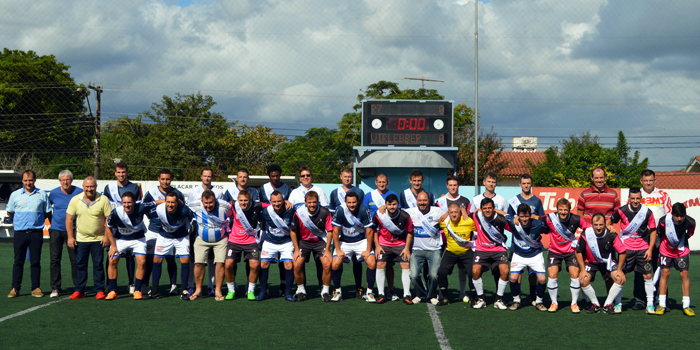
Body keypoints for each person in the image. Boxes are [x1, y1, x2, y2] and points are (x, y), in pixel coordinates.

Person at [610, 187, 657, 314]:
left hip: (643, 249)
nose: (635, 201)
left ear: (641, 198)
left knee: (647, 275)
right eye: (633, 198)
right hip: (626, 250)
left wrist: (650, 249)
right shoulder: (621, 211)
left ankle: (650, 304)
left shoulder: (647, 212)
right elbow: (609, 222)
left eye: (637, 198)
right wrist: (611, 228)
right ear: (629, 198)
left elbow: (653, 231)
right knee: (621, 275)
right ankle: (618, 303)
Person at [6, 170, 52, 298]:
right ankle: (15, 288)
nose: (28, 183)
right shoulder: (15, 195)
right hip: (20, 233)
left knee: (35, 261)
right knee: (18, 261)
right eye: (26, 180)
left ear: (35, 180)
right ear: (22, 181)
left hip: (36, 233)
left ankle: (36, 288)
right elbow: (10, 212)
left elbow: (47, 212)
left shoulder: (42, 195)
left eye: (30, 180)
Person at [65, 177, 112, 300]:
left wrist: (106, 236)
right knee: (80, 265)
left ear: (96, 187)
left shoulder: (103, 199)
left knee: (98, 265)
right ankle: (79, 290)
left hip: (98, 239)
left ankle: (99, 290)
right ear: (83, 186)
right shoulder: (76, 199)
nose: (89, 189)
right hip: (81, 239)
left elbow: (109, 219)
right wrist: (70, 237)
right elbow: (69, 219)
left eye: (92, 187)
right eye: (87, 187)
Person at [540, 198, 589, 313]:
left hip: (571, 251)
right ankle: (554, 303)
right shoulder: (550, 218)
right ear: (557, 210)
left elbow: (588, 228)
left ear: (569, 210)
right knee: (552, 275)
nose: (563, 212)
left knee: (574, 274)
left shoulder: (576, 219)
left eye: (565, 210)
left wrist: (581, 241)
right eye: (560, 210)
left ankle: (574, 304)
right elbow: (536, 219)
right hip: (554, 251)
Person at [142, 169, 185, 296]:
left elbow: (182, 210)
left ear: (171, 179)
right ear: (158, 179)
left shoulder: (177, 193)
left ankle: (173, 285)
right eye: (163, 179)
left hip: (170, 232)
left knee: (170, 259)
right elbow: (144, 208)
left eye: (167, 179)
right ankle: (146, 285)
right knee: (150, 259)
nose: (165, 181)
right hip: (154, 230)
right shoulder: (151, 193)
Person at [145, 192, 194, 301]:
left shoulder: (184, 210)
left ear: (178, 202)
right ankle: (154, 291)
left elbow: (191, 217)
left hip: (181, 237)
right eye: (168, 202)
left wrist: (184, 206)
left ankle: (184, 291)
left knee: (185, 261)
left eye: (173, 202)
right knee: (156, 260)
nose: (170, 205)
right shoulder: (160, 209)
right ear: (165, 202)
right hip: (164, 236)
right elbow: (148, 213)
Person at [104, 192, 152, 300]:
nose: (127, 205)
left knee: (142, 261)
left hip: (138, 239)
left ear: (134, 202)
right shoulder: (116, 212)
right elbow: (108, 227)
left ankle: (137, 290)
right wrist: (113, 245)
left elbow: (156, 202)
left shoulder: (141, 207)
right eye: (124, 202)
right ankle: (112, 291)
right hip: (120, 239)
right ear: (121, 203)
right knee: (112, 260)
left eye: (129, 202)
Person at [575, 213, 627, 314]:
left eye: (601, 225)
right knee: (583, 280)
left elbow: (622, 252)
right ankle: (595, 305)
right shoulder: (586, 234)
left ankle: (607, 305)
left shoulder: (611, 234)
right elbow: (578, 252)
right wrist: (582, 270)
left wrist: (620, 270)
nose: (598, 227)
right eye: (596, 225)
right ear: (592, 224)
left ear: (605, 224)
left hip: (607, 262)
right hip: (591, 263)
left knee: (620, 278)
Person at [103, 162, 142, 294]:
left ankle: (131, 283)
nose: (121, 174)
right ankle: (109, 285)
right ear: (115, 173)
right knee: (111, 255)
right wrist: (106, 233)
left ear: (127, 172)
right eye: (118, 172)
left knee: (130, 255)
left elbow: (138, 208)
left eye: (123, 172)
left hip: (129, 225)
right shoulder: (109, 188)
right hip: (113, 226)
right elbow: (106, 209)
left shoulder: (135, 188)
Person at [506, 174, 545, 306]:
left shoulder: (537, 201)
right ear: (520, 184)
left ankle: (533, 295)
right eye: (524, 183)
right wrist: (514, 219)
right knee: (518, 271)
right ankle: (517, 297)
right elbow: (508, 217)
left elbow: (542, 218)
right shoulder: (514, 200)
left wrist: (533, 217)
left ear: (531, 184)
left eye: (528, 183)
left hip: (532, 240)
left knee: (533, 271)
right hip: (518, 240)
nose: (526, 185)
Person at [187, 190, 232, 301]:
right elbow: (184, 207)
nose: (208, 206)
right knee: (198, 264)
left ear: (215, 200)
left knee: (220, 264)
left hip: (220, 240)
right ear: (201, 201)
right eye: (205, 203)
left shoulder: (224, 206)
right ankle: (198, 290)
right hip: (201, 239)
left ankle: (218, 290)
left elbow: (234, 211)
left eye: (210, 203)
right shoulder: (194, 205)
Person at [330, 191, 375, 302]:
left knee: (372, 263)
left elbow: (369, 231)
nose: (351, 205)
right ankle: (338, 291)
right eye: (349, 202)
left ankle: (369, 293)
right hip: (344, 242)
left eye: (354, 202)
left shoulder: (364, 209)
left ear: (358, 201)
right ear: (345, 202)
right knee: (335, 264)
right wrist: (338, 249)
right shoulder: (340, 210)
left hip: (361, 241)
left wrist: (368, 250)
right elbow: (335, 231)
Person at [290, 191, 333, 301]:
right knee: (297, 263)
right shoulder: (299, 213)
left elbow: (330, 231)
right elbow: (293, 231)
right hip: (304, 242)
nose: (312, 204)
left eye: (314, 202)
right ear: (305, 203)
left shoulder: (325, 212)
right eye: (309, 202)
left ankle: (325, 291)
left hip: (320, 241)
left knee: (327, 263)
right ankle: (301, 290)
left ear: (318, 202)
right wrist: (296, 250)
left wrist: (328, 250)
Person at [186, 168, 223, 296]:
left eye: (209, 176)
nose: (207, 178)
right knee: (195, 259)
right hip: (198, 227)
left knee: (213, 259)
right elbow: (189, 210)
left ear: (212, 177)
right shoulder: (193, 192)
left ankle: (211, 286)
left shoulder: (218, 192)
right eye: (205, 176)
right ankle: (192, 286)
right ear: (201, 176)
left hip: (214, 229)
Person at [637, 169, 671, 310]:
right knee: (641, 269)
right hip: (641, 237)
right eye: (646, 180)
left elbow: (669, 217)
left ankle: (660, 301)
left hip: (659, 237)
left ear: (654, 180)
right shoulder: (636, 195)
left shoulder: (663, 195)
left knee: (661, 269)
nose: (649, 183)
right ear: (641, 181)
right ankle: (640, 300)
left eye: (651, 180)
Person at [435, 176, 472, 302]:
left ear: (458, 185)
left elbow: (469, 218)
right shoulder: (440, 201)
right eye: (450, 185)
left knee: (462, 267)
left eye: (455, 185)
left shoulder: (465, 201)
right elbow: (437, 219)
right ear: (447, 185)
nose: (452, 187)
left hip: (461, 241)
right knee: (442, 269)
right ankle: (442, 293)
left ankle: (462, 293)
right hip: (445, 240)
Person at [470, 198, 512, 309]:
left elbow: (514, 227)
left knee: (505, 271)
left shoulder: (501, 220)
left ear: (494, 208)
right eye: (485, 208)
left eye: (489, 208)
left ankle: (499, 299)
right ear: (481, 209)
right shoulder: (476, 216)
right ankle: (481, 299)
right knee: (475, 271)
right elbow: (465, 216)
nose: (487, 210)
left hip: (498, 249)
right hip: (481, 249)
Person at [361, 173, 398, 298]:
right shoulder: (368, 196)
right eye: (379, 182)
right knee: (371, 262)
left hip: (387, 235)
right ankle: (369, 290)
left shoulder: (393, 195)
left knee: (388, 264)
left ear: (388, 182)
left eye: (384, 182)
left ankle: (391, 291)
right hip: (372, 233)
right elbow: (364, 214)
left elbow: (398, 213)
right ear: (375, 182)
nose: (382, 184)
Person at [405, 191, 445, 304]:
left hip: (434, 250)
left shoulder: (437, 211)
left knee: (433, 275)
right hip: (417, 250)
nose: (422, 203)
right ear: (416, 201)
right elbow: (395, 211)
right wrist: (383, 208)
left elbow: (450, 213)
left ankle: (432, 295)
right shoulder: (411, 212)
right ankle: (420, 294)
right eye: (420, 200)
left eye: (425, 200)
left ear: (429, 201)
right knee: (413, 275)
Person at [655, 203, 695, 316]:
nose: (679, 218)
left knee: (684, 274)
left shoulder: (690, 222)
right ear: (671, 214)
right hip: (665, 250)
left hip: (681, 250)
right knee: (665, 273)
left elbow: (690, 233)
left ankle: (686, 305)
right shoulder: (663, 221)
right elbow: (660, 233)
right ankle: (662, 304)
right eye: (676, 216)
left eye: (682, 216)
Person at [47, 170, 82, 298]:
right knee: (55, 260)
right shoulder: (54, 193)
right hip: (56, 230)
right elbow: (47, 209)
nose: (65, 182)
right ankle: (55, 287)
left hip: (73, 231)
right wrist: (53, 223)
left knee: (74, 260)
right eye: (63, 180)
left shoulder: (79, 192)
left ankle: (78, 287)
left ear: (71, 180)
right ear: (59, 181)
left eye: (67, 179)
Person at [374, 194, 414, 304]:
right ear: (385, 204)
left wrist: (406, 248)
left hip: (400, 244)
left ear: (398, 204)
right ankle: (381, 294)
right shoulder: (379, 214)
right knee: (380, 264)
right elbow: (373, 230)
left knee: (405, 264)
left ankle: (406, 294)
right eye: (389, 204)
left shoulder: (405, 216)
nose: (392, 207)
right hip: (383, 244)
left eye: (394, 204)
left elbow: (410, 232)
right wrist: (377, 246)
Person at [257, 191, 297, 301]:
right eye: (274, 202)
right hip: (270, 241)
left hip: (287, 242)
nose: (277, 204)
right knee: (263, 264)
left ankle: (288, 292)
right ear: (270, 202)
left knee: (288, 265)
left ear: (283, 200)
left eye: (279, 201)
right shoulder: (266, 211)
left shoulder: (291, 209)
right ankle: (263, 292)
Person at [508, 204, 548, 311]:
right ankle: (516, 300)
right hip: (518, 255)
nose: (524, 219)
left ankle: (539, 302)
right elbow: (502, 216)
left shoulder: (538, 225)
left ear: (530, 216)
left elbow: (550, 227)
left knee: (542, 279)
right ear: (518, 216)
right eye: (522, 216)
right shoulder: (513, 223)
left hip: (535, 254)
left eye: (526, 216)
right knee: (513, 278)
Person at [225, 189, 263, 300]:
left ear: (250, 200)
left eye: (246, 200)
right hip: (234, 241)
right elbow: (218, 203)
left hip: (250, 241)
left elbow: (271, 205)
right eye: (241, 200)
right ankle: (231, 290)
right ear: (237, 200)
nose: (243, 203)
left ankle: (250, 291)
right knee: (228, 264)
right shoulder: (232, 205)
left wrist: (286, 202)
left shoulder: (257, 205)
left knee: (255, 265)